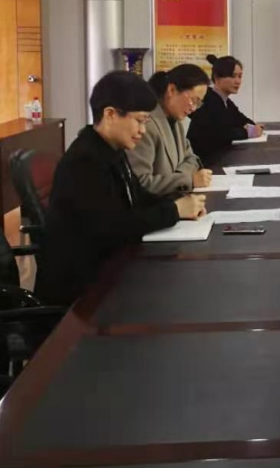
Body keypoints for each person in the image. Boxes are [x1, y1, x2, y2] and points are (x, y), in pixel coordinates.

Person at [35, 71, 206, 306]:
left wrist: (179, 205)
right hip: (81, 294)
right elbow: (116, 226)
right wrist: (174, 211)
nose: (143, 130)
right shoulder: (85, 160)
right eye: (139, 121)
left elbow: (138, 196)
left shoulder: (111, 149)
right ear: (110, 114)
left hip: (108, 272)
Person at [128, 63, 213, 195]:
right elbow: (141, 183)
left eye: (198, 103)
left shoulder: (175, 121)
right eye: (193, 100)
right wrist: (188, 180)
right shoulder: (146, 125)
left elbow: (192, 159)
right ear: (172, 90)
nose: (193, 108)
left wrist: (177, 176)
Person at [187, 54, 263, 165]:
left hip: (218, 157)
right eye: (233, 76)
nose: (238, 81)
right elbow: (221, 133)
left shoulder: (226, 101)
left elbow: (241, 119)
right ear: (217, 78)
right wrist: (248, 131)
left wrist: (254, 127)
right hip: (204, 161)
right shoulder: (208, 99)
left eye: (240, 76)